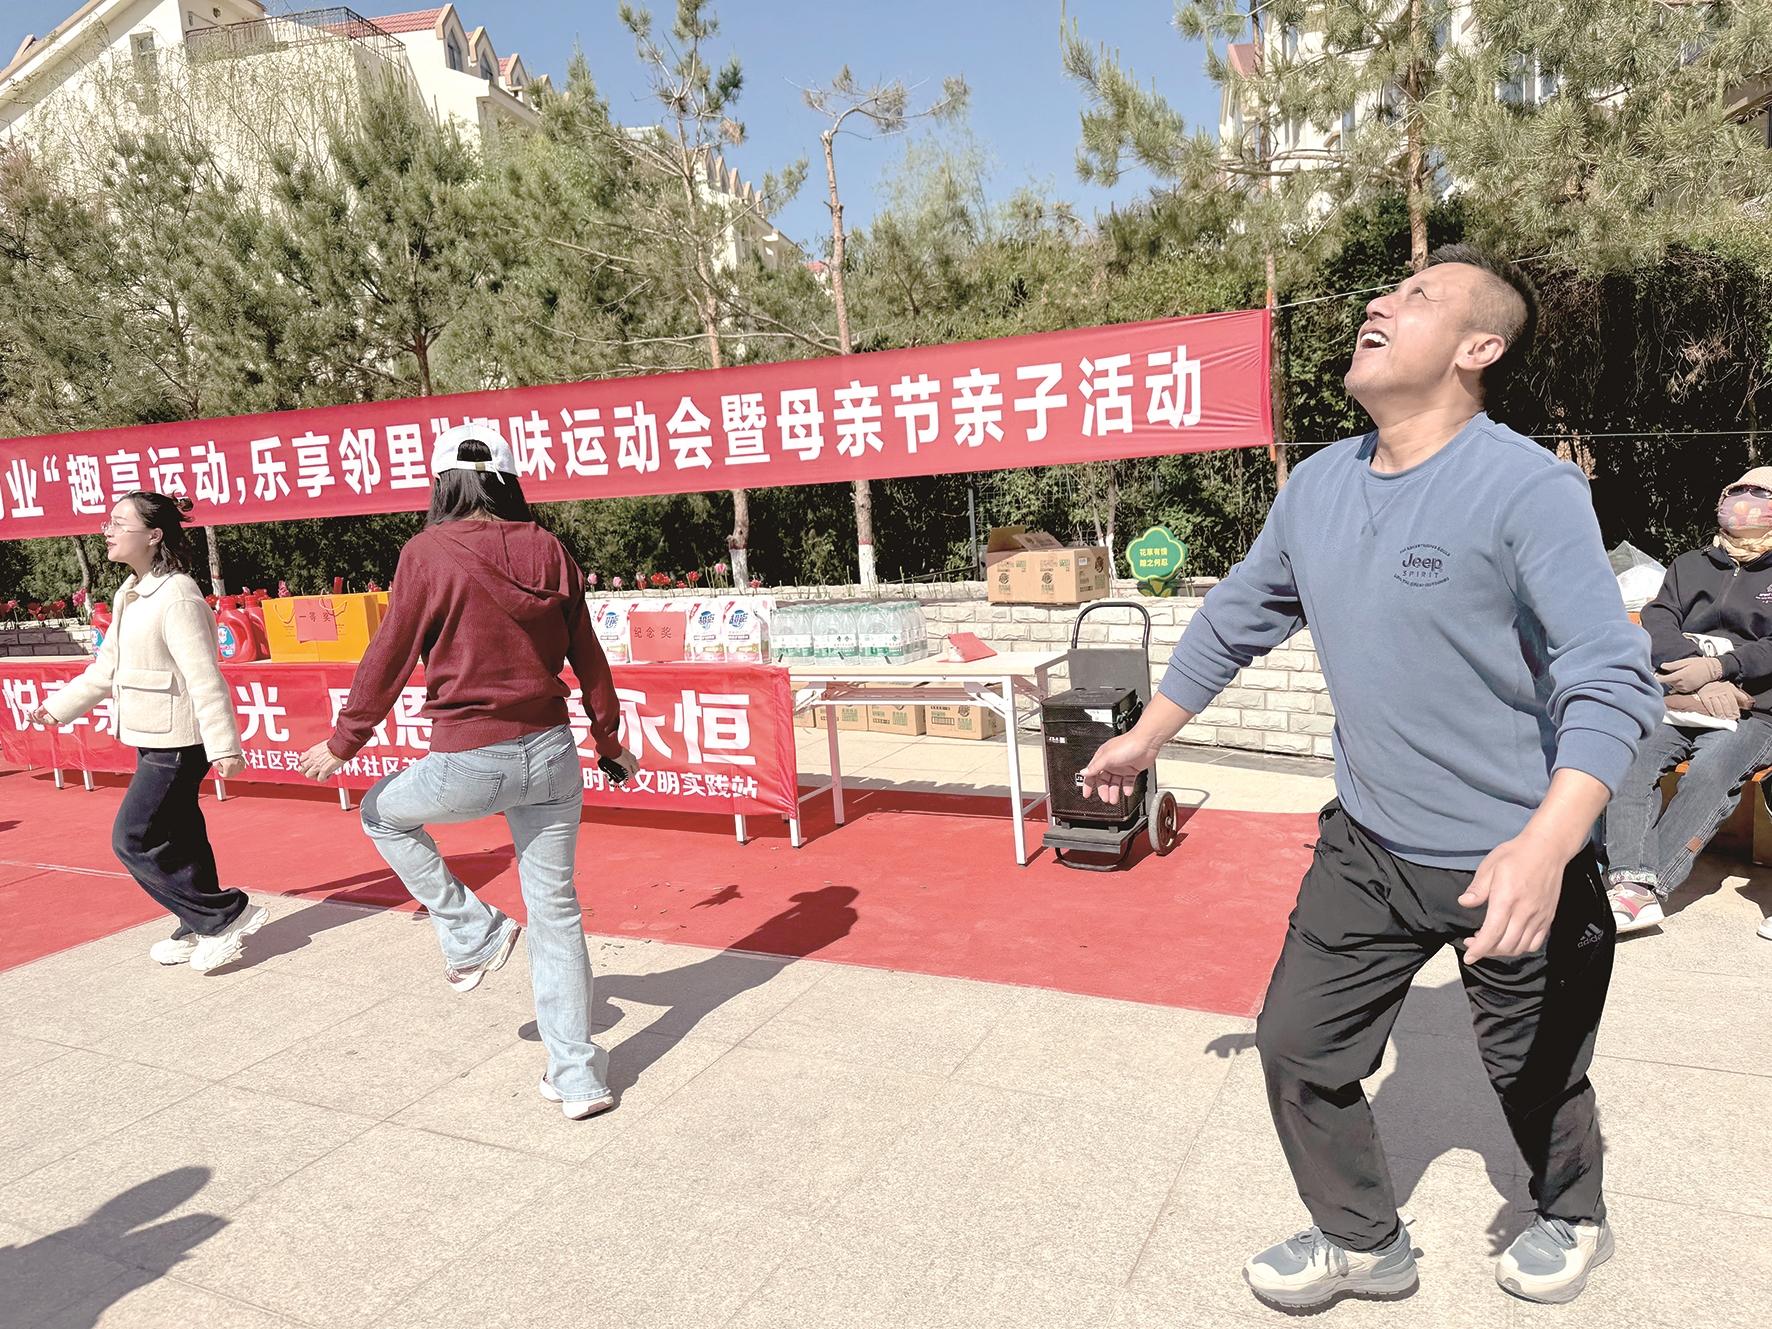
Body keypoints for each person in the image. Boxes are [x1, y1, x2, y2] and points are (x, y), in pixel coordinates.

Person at [1082, 245, 1662, 1310]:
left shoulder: (1526, 488)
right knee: (1297, 1046)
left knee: (1534, 1070)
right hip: (1369, 844)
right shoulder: (1317, 486)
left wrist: (1548, 845)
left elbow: (1609, 677)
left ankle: (1573, 1212)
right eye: (1385, 291)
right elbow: (1238, 615)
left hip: (1512, 852)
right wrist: (1148, 734)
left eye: (1417, 296)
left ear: (1478, 349)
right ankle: (1362, 1240)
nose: (1379, 305)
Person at [297, 424, 635, 1121]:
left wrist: (345, 741)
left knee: (381, 813)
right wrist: (610, 742)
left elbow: (389, 653)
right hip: (553, 753)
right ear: (507, 480)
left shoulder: (426, 553)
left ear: (443, 483)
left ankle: (471, 928)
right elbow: (590, 657)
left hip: (469, 758)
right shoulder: (548, 548)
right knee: (557, 911)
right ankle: (577, 1078)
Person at [30, 492, 262, 972]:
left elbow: (205, 677)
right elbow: (107, 668)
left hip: (178, 743)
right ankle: (196, 923)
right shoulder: (130, 592)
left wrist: (225, 746)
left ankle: (222, 916)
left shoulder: (177, 595)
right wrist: (57, 709)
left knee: (132, 839)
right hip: (153, 737)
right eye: (108, 522)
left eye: (119, 523)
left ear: (154, 535)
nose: (108, 531)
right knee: (180, 834)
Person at [1599, 468, 1772, 934]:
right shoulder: (1690, 565)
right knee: (1630, 759)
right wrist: (1697, 678)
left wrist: (1722, 669)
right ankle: (1629, 880)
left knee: (1710, 772)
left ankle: (1643, 888)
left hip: (1754, 711)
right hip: (1680, 699)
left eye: (1760, 493)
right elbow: (1658, 621)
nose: (1746, 501)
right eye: (1737, 491)